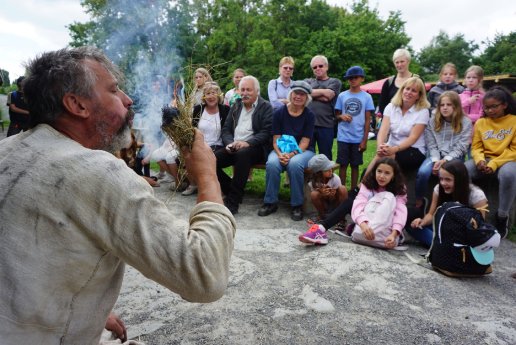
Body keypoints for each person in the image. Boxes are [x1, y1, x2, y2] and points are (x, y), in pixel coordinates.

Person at [0, 46, 236, 344]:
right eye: (113, 90)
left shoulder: (6, 150)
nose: (127, 99)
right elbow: (204, 275)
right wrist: (206, 175)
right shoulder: (97, 171)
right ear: (77, 104)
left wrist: (88, 310)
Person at [257, 80, 315, 221]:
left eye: (302, 94)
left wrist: (291, 155)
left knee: (294, 164)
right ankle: (270, 202)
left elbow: (305, 142)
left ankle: (296, 205)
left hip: (303, 151)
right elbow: (275, 139)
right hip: (280, 149)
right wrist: (280, 154)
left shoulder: (309, 115)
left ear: (307, 98)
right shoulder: (279, 112)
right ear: (291, 94)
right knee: (272, 163)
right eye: (296, 93)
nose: (298, 96)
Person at [216, 75, 273, 214]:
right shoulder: (236, 106)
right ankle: (230, 188)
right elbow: (226, 129)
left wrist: (247, 143)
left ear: (257, 91)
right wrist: (230, 143)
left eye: (249, 90)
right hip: (234, 146)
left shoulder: (266, 107)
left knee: (242, 155)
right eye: (242, 90)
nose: (245, 93)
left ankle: (232, 202)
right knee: (211, 160)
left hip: (256, 148)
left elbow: (266, 133)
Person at [465, 86, 516, 239]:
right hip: (484, 159)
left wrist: (494, 164)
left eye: (494, 107)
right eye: (486, 107)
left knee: (508, 175)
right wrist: (480, 160)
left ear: (504, 105)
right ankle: (467, 208)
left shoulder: (513, 121)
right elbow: (476, 146)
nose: (490, 111)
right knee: (463, 170)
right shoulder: (481, 123)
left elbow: (514, 149)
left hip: (507, 160)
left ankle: (502, 216)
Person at [409, 160, 488, 248]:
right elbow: (431, 215)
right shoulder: (438, 189)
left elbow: (479, 226)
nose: (443, 183)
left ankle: (442, 246)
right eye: (441, 179)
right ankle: (441, 245)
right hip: (441, 229)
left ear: (460, 179)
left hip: (462, 235)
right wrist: (422, 222)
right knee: (412, 225)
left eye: (448, 179)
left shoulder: (476, 194)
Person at [415, 91, 472, 209]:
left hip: (454, 157)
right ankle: (420, 200)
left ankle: (456, 203)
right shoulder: (432, 121)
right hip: (435, 155)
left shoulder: (465, 122)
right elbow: (431, 144)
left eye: (449, 105)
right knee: (423, 172)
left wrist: (445, 160)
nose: (445, 108)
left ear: (456, 106)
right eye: (442, 105)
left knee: (455, 176)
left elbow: (462, 146)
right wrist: (436, 161)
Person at [366, 77, 430, 176]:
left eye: (414, 91)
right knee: (381, 155)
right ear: (402, 90)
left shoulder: (423, 111)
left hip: (414, 150)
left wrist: (393, 149)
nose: (409, 92)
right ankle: (363, 185)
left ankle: (361, 186)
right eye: (407, 89)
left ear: (419, 96)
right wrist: (380, 147)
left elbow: (412, 138)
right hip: (391, 147)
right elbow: (383, 130)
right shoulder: (391, 107)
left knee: (384, 159)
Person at [350, 158, 408, 249]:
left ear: (393, 175)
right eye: (379, 171)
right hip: (365, 225)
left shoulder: (399, 188)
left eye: (387, 173)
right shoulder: (368, 184)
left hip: (386, 229)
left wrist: (394, 234)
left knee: (389, 197)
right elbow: (358, 204)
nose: (381, 176)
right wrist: (363, 224)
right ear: (374, 171)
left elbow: (400, 212)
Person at [335, 66, 374, 190]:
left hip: (358, 137)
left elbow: (368, 119)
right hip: (343, 136)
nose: (353, 80)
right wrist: (342, 116)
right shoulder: (342, 96)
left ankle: (353, 191)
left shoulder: (367, 97)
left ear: (362, 79)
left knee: (355, 165)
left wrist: (364, 140)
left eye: (355, 77)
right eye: (350, 78)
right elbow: (336, 115)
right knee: (342, 164)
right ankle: (341, 191)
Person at [187, 82, 230, 196]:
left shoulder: (225, 110)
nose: (211, 96)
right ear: (204, 97)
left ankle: (223, 187)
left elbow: (229, 130)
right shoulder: (198, 109)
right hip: (200, 145)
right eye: (208, 93)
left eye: (213, 93)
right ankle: (207, 186)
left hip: (218, 145)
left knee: (209, 160)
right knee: (187, 156)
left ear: (218, 95)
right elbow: (193, 129)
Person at [304, 55, 342, 160]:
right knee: (307, 155)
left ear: (327, 67)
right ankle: (309, 177)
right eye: (314, 67)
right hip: (308, 125)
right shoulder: (307, 81)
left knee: (325, 156)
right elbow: (302, 93)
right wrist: (323, 91)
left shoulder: (335, 82)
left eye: (320, 66)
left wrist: (310, 94)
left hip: (326, 125)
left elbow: (328, 97)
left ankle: (325, 177)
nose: (318, 68)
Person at [378, 49, 419, 118]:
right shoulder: (388, 82)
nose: (399, 65)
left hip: (413, 121)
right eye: (397, 62)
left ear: (408, 61)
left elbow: (421, 102)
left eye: (402, 61)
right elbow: (382, 107)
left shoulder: (418, 80)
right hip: (391, 123)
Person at [306, 154, 347, 222]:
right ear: (318, 173)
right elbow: (318, 198)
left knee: (343, 189)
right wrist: (322, 194)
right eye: (327, 170)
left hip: (335, 205)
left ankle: (341, 218)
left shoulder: (335, 178)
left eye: (330, 168)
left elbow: (338, 197)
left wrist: (332, 195)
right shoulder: (313, 183)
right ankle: (322, 216)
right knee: (314, 194)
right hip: (324, 205)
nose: (330, 170)